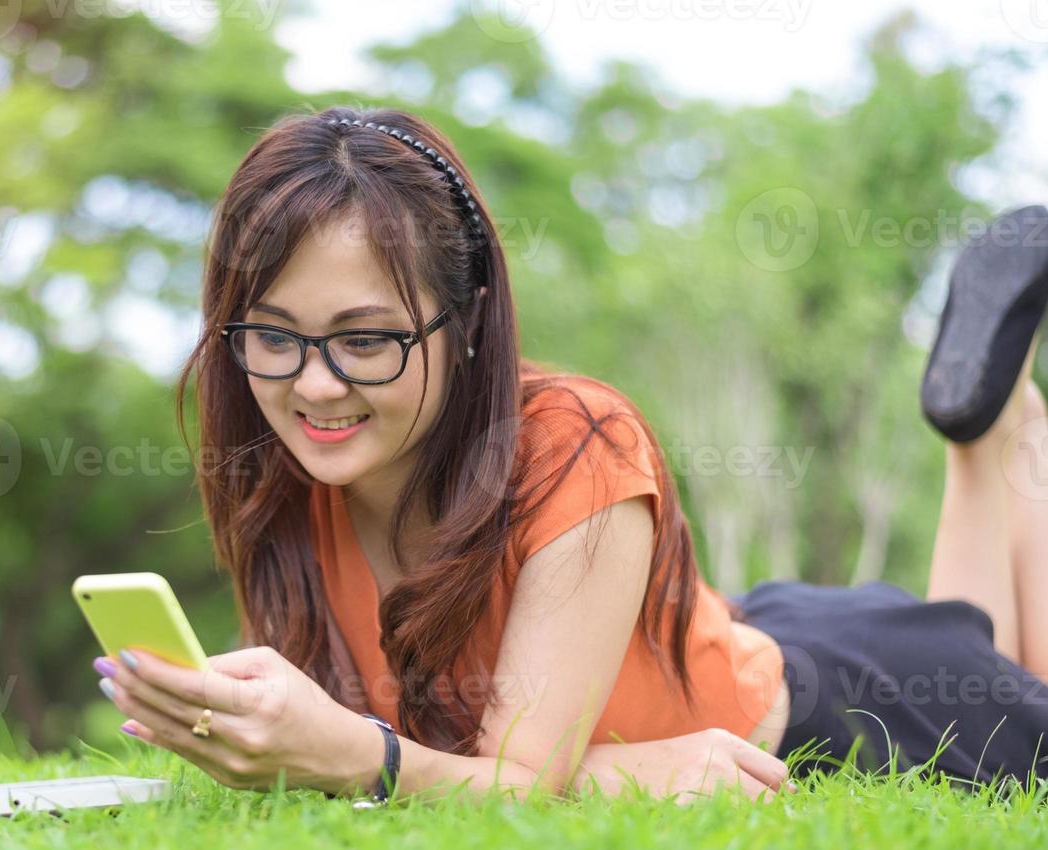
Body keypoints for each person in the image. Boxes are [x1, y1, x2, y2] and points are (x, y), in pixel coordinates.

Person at [89, 105, 1048, 805]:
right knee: (969, 630)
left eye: (366, 339)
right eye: (275, 335)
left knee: (1004, 670)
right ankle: (996, 428)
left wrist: (357, 756)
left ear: (463, 325)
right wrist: (613, 770)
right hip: (725, 631)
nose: (315, 385)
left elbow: (511, 785)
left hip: (849, 708)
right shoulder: (292, 469)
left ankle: (997, 433)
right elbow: (503, 769)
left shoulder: (574, 445)